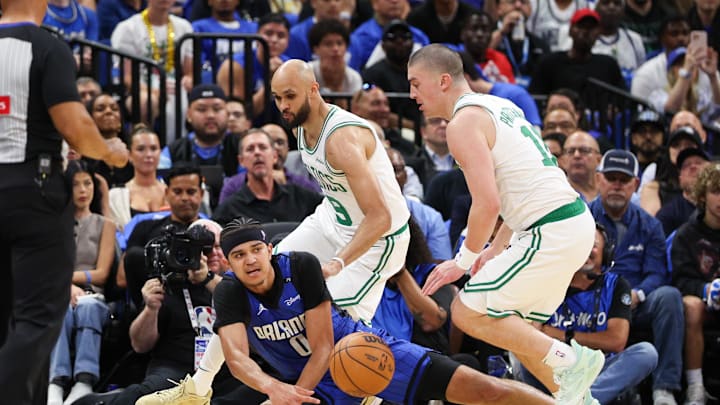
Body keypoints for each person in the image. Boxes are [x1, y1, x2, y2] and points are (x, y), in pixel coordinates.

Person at [168, 219, 556, 405]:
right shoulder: (231, 293)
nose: (249, 260)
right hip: (310, 386)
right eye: (238, 255)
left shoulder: (299, 266)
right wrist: (275, 390)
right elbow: (236, 358)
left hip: (361, 353)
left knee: (484, 389)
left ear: (270, 251)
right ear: (230, 263)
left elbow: (322, 347)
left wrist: (292, 394)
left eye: (255, 250)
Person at [407, 44, 603, 404]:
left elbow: (487, 204)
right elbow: (516, 185)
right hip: (566, 222)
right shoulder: (500, 106)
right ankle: (579, 399)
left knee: (466, 311)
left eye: (417, 83)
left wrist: (462, 262)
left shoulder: (462, 123)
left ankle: (574, 360)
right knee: (516, 328)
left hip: (550, 229)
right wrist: (493, 250)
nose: (411, 94)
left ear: (444, 80)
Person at [0, 1, 129, 403]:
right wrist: (109, 151)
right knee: (39, 318)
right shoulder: (45, 45)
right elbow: (76, 126)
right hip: (32, 192)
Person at [522, 224, 659, 404]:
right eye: (581, 243)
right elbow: (532, 337)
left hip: (601, 371)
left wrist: (564, 335)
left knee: (646, 353)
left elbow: (616, 341)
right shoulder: (549, 282)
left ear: (605, 253)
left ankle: (581, 400)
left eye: (593, 245)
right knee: (521, 357)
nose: (586, 250)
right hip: (556, 372)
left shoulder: (616, 285)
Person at [588, 149, 685, 405]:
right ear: (599, 180)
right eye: (611, 178)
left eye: (624, 179)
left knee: (669, 296)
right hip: (590, 300)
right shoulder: (582, 218)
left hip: (635, 300)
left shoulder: (649, 224)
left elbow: (657, 273)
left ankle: (664, 389)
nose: (617, 185)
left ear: (636, 184)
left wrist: (636, 294)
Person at [48, 161, 117, 405]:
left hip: (93, 295)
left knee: (87, 306)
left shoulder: (105, 224)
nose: (82, 190)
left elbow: (101, 274)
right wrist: (65, 287)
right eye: (76, 184)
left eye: (87, 183)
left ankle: (84, 381)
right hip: (57, 294)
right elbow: (47, 267)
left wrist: (67, 278)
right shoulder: (54, 224)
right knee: (61, 309)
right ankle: (56, 383)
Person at [671, 163, 720, 405]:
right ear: (702, 195)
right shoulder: (686, 234)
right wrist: (706, 290)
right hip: (702, 305)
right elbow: (679, 280)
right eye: (717, 191)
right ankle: (695, 386)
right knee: (691, 306)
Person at [212, 129, 322, 225]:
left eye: (262, 147)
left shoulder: (300, 196)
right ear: (241, 161)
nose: (257, 153)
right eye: (250, 149)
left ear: (274, 156)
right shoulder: (229, 209)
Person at [108, 124, 166, 230]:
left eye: (153, 149)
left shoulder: (173, 191)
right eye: (141, 149)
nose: (148, 155)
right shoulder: (115, 196)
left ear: (160, 153)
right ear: (130, 155)